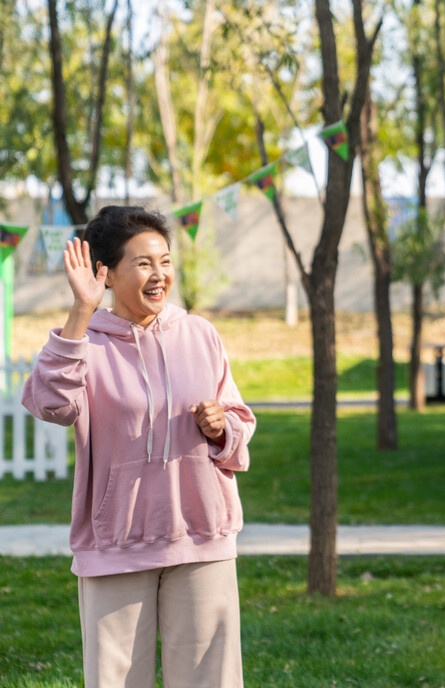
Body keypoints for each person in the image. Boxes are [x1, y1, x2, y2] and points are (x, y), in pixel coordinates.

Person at [22, 205, 256, 688]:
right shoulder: (85, 343)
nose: (159, 274)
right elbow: (49, 404)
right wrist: (80, 312)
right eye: (144, 262)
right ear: (105, 272)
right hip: (116, 545)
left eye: (165, 260)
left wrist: (220, 428)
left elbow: (239, 422)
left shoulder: (200, 334)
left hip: (202, 539)